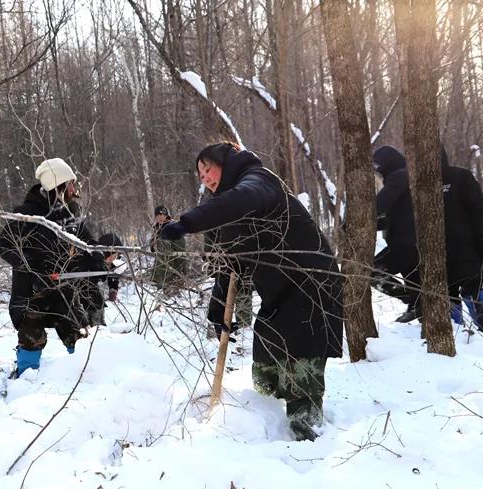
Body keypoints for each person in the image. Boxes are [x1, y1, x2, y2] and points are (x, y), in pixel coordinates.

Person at [160, 142, 343, 441]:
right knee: (266, 363)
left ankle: (308, 442)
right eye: (200, 175)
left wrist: (188, 223)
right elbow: (231, 265)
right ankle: (264, 426)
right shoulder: (233, 209)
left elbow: (240, 199)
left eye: (208, 169)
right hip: (280, 292)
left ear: (226, 161)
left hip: (311, 284)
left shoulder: (258, 181)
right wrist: (219, 313)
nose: (205, 178)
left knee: (300, 362)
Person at [0, 158, 103, 377]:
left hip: (63, 293)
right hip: (31, 293)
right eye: (71, 184)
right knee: (31, 336)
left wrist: (97, 257)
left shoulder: (70, 216)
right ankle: (25, 380)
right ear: (60, 186)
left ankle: (87, 378)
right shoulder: (28, 214)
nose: (75, 190)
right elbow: (4, 244)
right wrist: (33, 270)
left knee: (79, 334)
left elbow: (87, 243)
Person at [371, 146, 422, 323]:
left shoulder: (399, 176)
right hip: (408, 241)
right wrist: (372, 225)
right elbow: (397, 217)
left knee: (372, 272)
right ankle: (417, 305)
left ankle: (415, 303)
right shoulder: (403, 177)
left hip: (405, 244)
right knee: (414, 281)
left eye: (378, 167)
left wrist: (361, 217)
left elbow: (381, 203)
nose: (378, 172)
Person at [440, 147, 483, 330]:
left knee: (474, 297)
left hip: (467, 255)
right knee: (450, 310)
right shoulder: (418, 185)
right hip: (438, 259)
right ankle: (461, 340)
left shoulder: (461, 177)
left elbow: (479, 213)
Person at [78, 233, 124, 326]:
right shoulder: (94, 256)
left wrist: (113, 289)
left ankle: (98, 326)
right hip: (83, 292)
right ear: (108, 251)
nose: (115, 259)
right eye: (115, 255)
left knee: (98, 306)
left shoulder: (110, 260)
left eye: (117, 256)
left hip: (94, 295)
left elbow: (113, 273)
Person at [150, 205, 187, 294]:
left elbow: (181, 250)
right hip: (160, 269)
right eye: (158, 216)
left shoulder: (173, 228)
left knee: (172, 297)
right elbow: (153, 248)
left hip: (172, 268)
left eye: (162, 215)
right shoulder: (157, 229)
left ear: (166, 215)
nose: (160, 218)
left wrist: (182, 270)